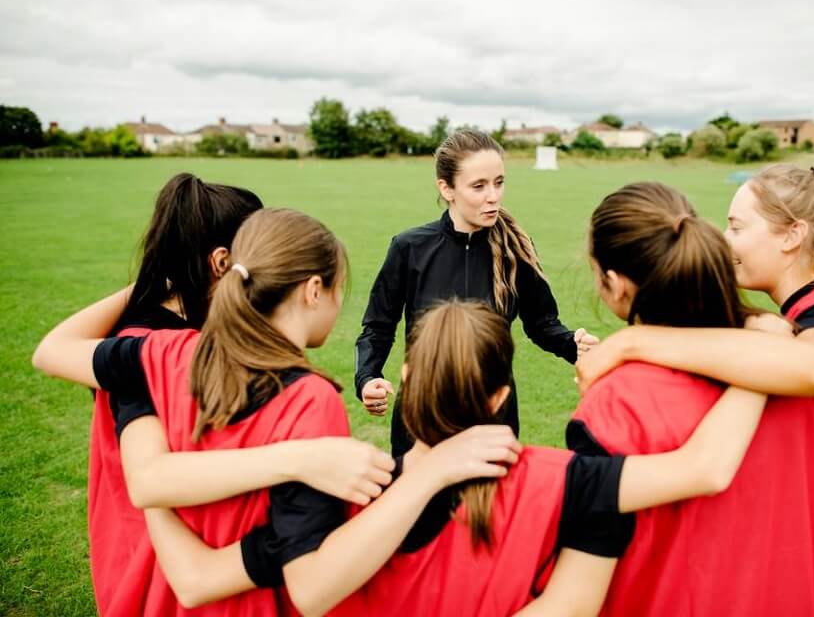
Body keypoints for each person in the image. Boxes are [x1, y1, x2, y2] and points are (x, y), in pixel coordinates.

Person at [110, 298, 772, 616]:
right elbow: (706, 467)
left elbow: (205, 579)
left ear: (406, 375)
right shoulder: (568, 482)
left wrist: (147, 459)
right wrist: (762, 360)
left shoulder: (342, 484)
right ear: (503, 393)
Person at [33, 208, 520, 616]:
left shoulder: (158, 352)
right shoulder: (310, 402)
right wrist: (419, 474)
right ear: (313, 290)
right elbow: (310, 587)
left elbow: (57, 354)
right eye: (336, 289)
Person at [576, 170, 814, 616]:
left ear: (793, 235)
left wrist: (634, 342)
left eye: (736, 226)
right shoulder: (793, 335)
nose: (723, 241)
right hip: (798, 568)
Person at [355, 128, 598, 455]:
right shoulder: (409, 248)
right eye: (479, 186)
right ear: (447, 188)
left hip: (494, 419)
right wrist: (368, 377)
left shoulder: (516, 252)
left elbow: (542, 325)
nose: (493, 196)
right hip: (421, 423)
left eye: (499, 182)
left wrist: (574, 346)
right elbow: (378, 327)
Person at [84, 172, 262, 615]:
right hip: (158, 560)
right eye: (261, 251)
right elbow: (148, 479)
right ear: (221, 262)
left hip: (187, 550)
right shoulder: (148, 343)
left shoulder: (194, 324)